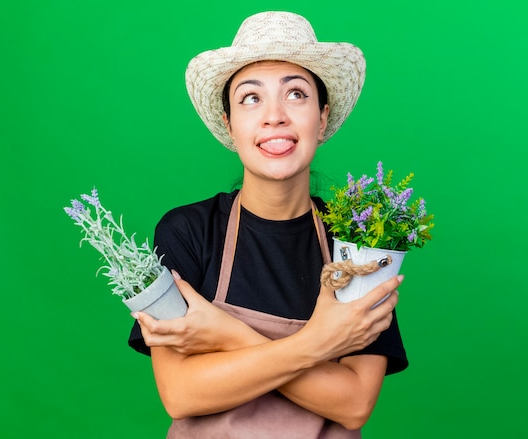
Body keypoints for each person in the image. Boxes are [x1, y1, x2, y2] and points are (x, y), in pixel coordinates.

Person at [129, 11, 408, 438]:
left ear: (322, 116)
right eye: (250, 98)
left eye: (296, 94)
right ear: (229, 123)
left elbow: (354, 405)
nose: (274, 116)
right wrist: (318, 346)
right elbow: (181, 393)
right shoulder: (187, 232)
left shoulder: (358, 241)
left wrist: (225, 333)